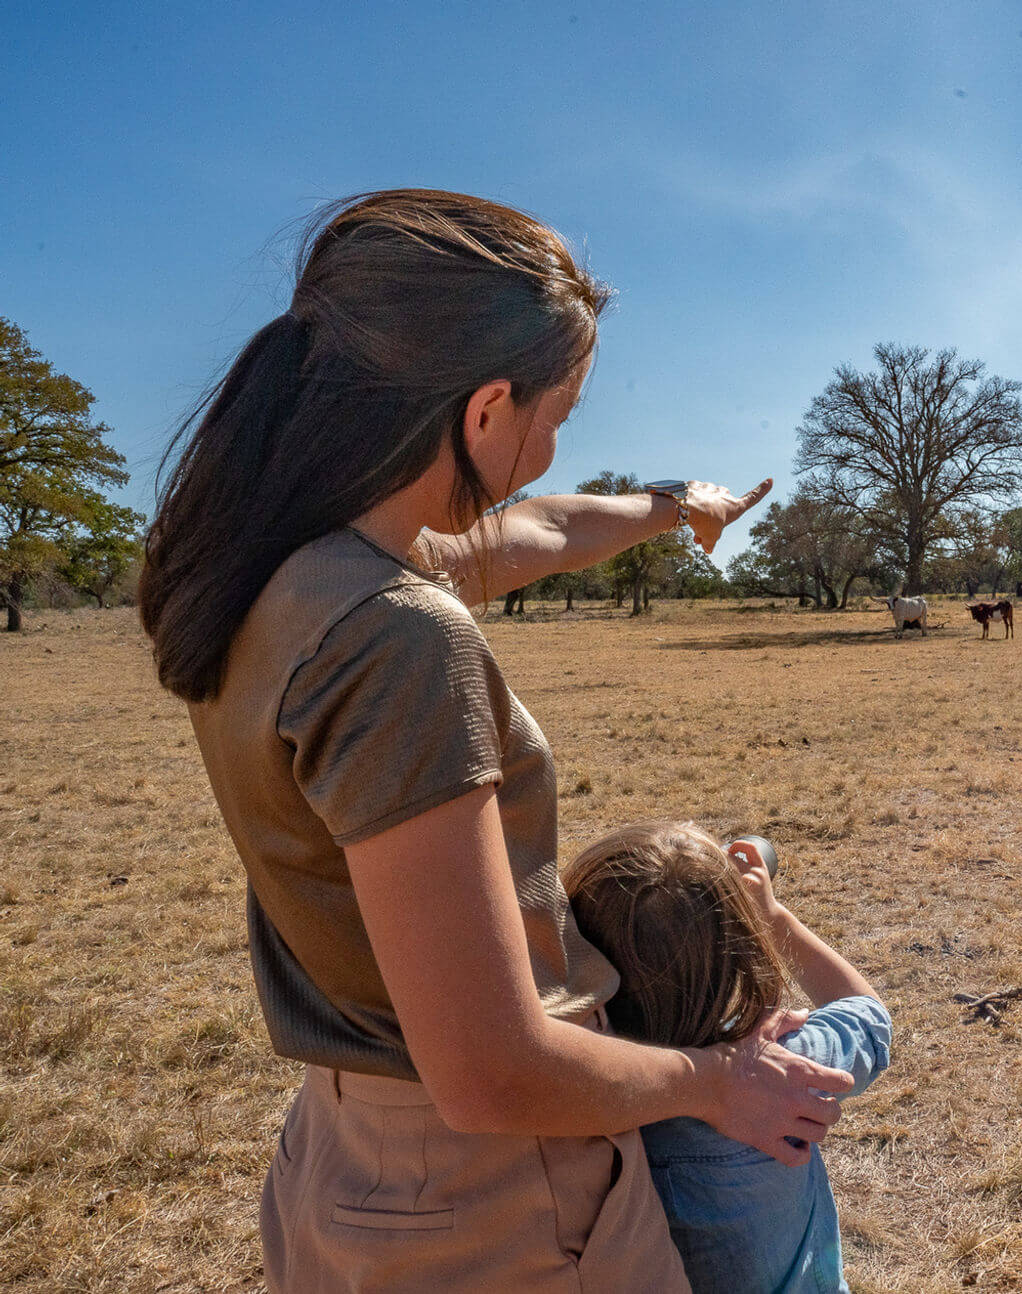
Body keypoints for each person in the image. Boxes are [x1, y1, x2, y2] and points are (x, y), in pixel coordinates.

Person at [137, 188, 853, 1293]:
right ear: (482, 412)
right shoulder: (395, 634)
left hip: (349, 1158)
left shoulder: (279, 574)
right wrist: (719, 1082)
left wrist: (675, 502)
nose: (559, 441)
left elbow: (546, 526)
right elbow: (492, 1071)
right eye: (557, 410)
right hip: (488, 1200)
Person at [563, 820, 893, 1293]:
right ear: (740, 951)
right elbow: (871, 1017)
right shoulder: (778, 1067)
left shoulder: (570, 1085)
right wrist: (774, 918)